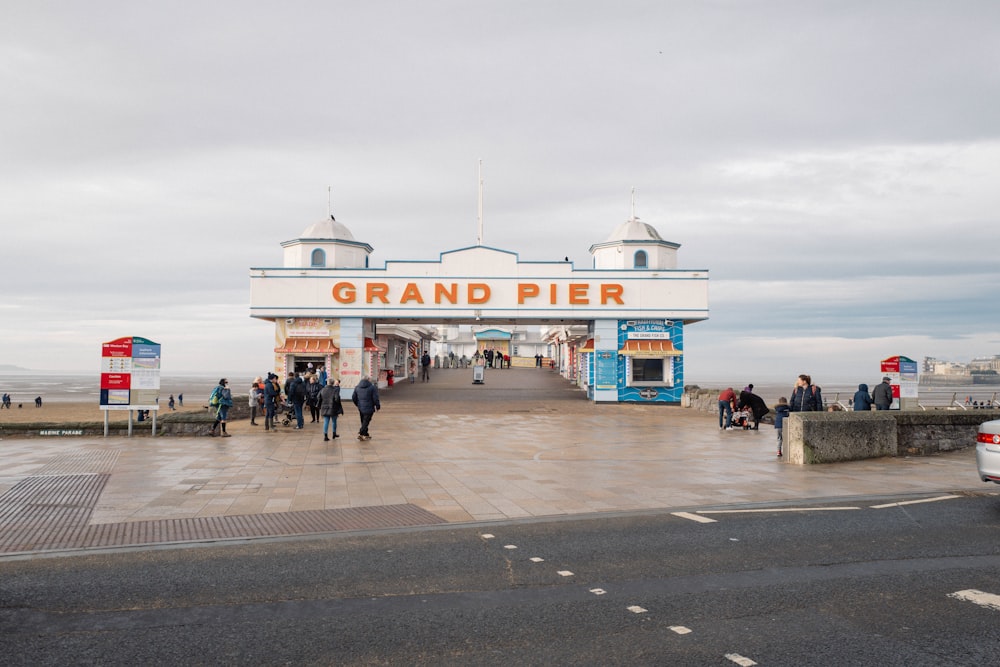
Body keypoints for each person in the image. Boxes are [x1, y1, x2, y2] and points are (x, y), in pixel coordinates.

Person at [351, 375, 380, 441]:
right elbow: (375, 398)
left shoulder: (357, 387)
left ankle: (365, 434)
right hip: (369, 407)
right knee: (366, 421)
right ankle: (361, 433)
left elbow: (353, 397)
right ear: (368, 380)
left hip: (361, 407)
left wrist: (358, 404)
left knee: (363, 420)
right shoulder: (372, 387)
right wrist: (377, 406)